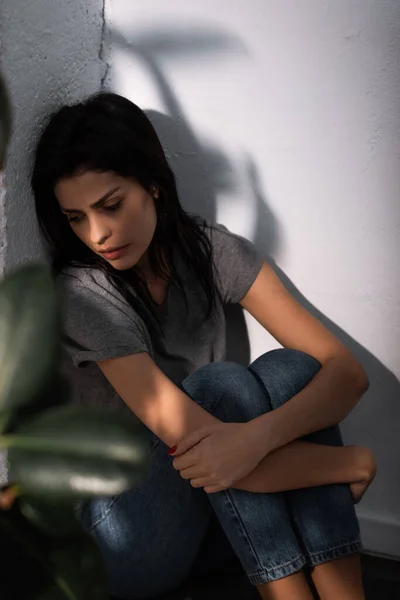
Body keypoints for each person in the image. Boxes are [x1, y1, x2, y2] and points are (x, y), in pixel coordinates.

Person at [32, 92, 376, 600]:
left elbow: (346, 373)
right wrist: (342, 464)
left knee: (291, 370)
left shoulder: (213, 250)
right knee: (219, 388)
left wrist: (257, 438)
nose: (98, 234)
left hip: (215, 516)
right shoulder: (85, 296)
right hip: (119, 538)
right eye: (76, 218)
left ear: (152, 183)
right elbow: (195, 446)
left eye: (110, 205)